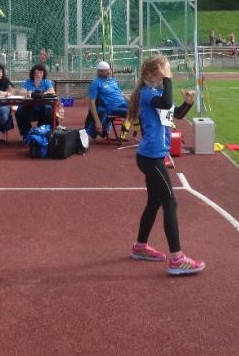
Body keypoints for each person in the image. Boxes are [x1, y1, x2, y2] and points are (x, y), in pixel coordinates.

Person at [126, 55, 204, 276]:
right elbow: (166, 103)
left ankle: (140, 247)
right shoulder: (147, 94)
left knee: (154, 202)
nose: (169, 75)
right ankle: (177, 259)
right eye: (166, 71)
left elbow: (173, 113)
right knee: (170, 203)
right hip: (151, 158)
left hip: (152, 156)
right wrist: (167, 78)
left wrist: (187, 103)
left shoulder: (156, 92)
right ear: (155, 74)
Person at [86, 61, 129, 139]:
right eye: (107, 70)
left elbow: (122, 94)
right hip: (112, 108)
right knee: (132, 112)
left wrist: (134, 102)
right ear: (100, 72)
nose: (110, 71)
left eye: (109, 70)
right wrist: (97, 122)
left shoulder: (113, 80)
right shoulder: (96, 83)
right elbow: (92, 103)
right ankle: (123, 135)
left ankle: (128, 134)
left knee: (140, 109)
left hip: (123, 104)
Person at [15, 64, 56, 136]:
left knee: (49, 109)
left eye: (41, 73)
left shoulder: (46, 82)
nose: (39, 75)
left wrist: (43, 93)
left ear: (43, 74)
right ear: (33, 73)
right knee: (19, 110)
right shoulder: (28, 82)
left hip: (42, 106)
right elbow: (22, 92)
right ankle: (26, 133)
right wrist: (28, 93)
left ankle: (41, 131)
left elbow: (52, 92)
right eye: (36, 73)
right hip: (29, 107)